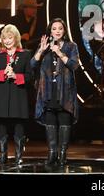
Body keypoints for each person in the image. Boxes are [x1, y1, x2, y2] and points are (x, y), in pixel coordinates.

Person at [31, 18, 79, 166]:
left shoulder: (71, 46)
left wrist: (59, 52)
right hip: (47, 91)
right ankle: (52, 153)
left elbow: (74, 65)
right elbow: (33, 64)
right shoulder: (44, 47)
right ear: (50, 31)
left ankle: (63, 154)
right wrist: (41, 50)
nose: (57, 31)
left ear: (64, 31)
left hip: (64, 91)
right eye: (54, 28)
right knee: (50, 121)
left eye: (60, 28)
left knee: (64, 120)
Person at [0, 24, 31, 165]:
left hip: (18, 94)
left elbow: (30, 75)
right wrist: (3, 74)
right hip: (2, 95)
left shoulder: (25, 54)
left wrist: (16, 76)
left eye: (10, 37)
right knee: (1, 125)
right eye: (4, 38)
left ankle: (19, 156)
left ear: (16, 38)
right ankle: (3, 156)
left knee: (19, 125)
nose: (7, 41)